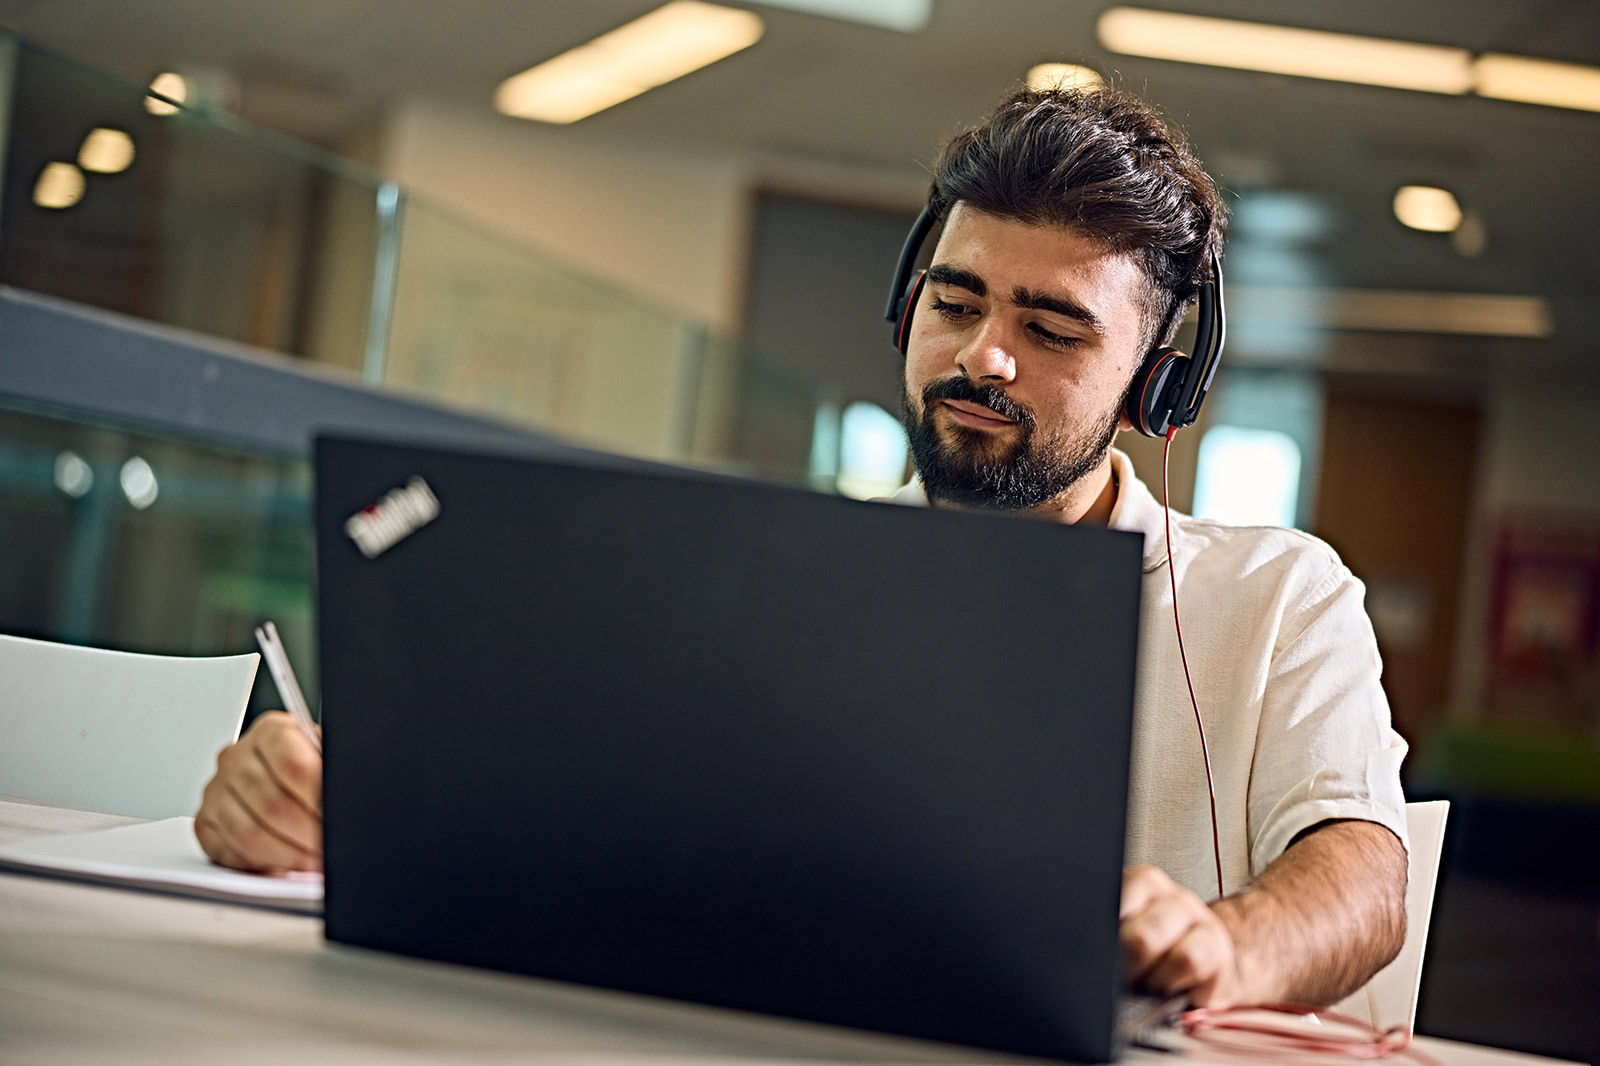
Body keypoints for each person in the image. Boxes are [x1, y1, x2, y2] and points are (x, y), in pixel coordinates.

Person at [196, 85, 1410, 1012]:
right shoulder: (779, 579)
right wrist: (323, 803)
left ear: (1154, 381)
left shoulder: (1277, 596)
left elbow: (1362, 872)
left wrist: (1229, 941)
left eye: (1050, 328)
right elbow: (578, 816)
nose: (985, 356)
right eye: (956, 302)